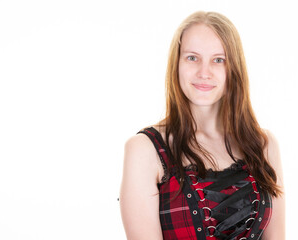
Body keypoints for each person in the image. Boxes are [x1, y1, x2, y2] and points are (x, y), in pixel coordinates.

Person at [120, 11, 285, 240]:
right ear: (176, 64)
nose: (204, 72)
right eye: (192, 57)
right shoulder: (145, 150)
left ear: (233, 69)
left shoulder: (263, 145)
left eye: (218, 60)